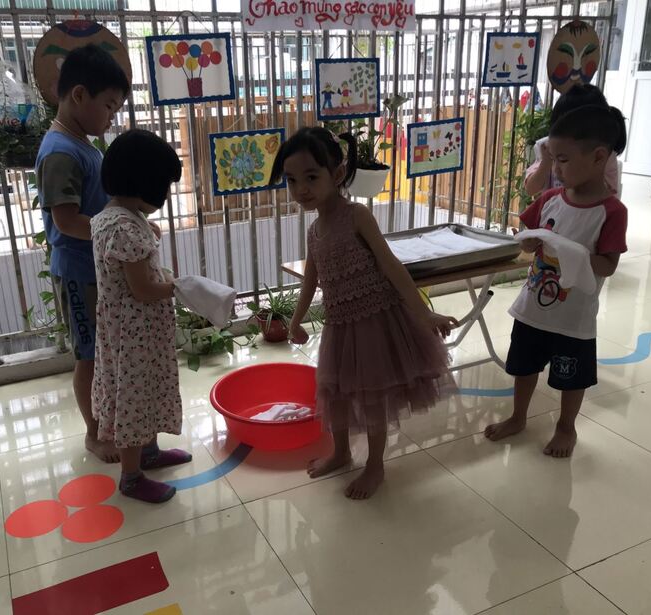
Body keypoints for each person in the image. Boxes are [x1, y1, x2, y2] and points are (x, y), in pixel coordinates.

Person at [268, 127, 457, 500]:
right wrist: (295, 320)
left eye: (311, 177)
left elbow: (391, 266)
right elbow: (310, 281)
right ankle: (340, 452)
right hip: (340, 326)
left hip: (376, 322)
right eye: (291, 180)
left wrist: (424, 315)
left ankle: (375, 465)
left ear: (337, 174)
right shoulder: (314, 231)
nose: (301, 189)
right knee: (336, 392)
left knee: (373, 397)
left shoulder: (357, 216)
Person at [485, 101, 628, 458]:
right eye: (554, 159)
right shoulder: (550, 199)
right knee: (524, 366)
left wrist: (572, 253)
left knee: (571, 376)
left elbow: (608, 265)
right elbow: (527, 237)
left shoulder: (611, 212)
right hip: (533, 308)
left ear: (598, 157)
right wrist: (531, 242)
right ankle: (518, 416)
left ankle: (566, 426)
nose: (556, 168)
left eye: (562, 160)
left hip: (573, 318)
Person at [36, 44, 132, 463]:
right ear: (79, 95)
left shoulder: (81, 144)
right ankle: (94, 434)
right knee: (89, 355)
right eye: (108, 106)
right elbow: (66, 221)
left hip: (95, 267)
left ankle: (109, 421)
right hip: (77, 271)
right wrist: (118, 231)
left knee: (103, 351)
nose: (111, 117)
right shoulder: (61, 151)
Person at [91, 129, 192, 503]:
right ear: (144, 182)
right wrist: (180, 288)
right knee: (134, 398)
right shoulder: (124, 228)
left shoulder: (111, 217)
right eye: (163, 185)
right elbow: (142, 289)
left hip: (125, 332)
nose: (165, 195)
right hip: (135, 334)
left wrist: (144, 228)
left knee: (142, 391)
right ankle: (131, 476)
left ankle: (149, 452)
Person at [524, 84, 620, 198]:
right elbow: (530, 189)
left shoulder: (607, 157)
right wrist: (546, 163)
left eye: (563, 159)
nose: (556, 170)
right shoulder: (548, 147)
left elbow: (610, 196)